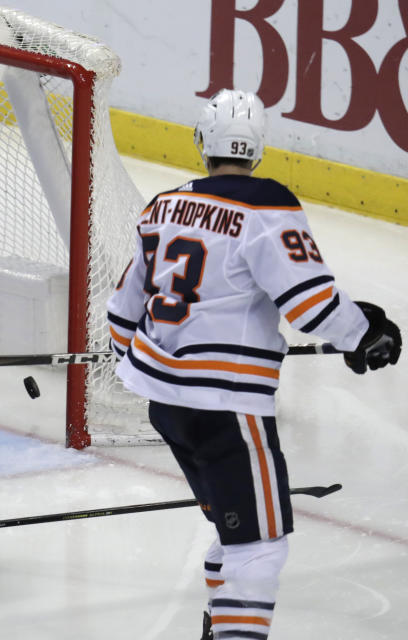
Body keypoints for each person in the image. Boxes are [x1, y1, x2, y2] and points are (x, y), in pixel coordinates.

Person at [106, 89, 401, 639]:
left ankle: (220, 623)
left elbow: (122, 313)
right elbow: (311, 306)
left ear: (202, 143)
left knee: (233, 527)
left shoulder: (162, 205)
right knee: (261, 547)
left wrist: (146, 363)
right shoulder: (267, 205)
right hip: (227, 408)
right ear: (257, 148)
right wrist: (364, 333)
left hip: (166, 405)